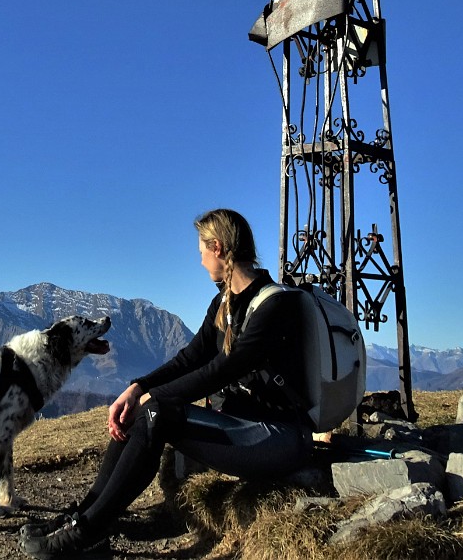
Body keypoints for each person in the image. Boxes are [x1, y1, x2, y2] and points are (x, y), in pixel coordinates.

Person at [20, 208, 312, 559]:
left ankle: (85, 533)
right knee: (145, 410)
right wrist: (137, 388)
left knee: (156, 414)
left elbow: (223, 370)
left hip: (277, 438)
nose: (200, 259)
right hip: (242, 427)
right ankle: (85, 518)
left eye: (201, 250)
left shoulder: (273, 305)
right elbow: (190, 359)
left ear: (217, 248)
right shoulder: (224, 303)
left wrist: (150, 398)